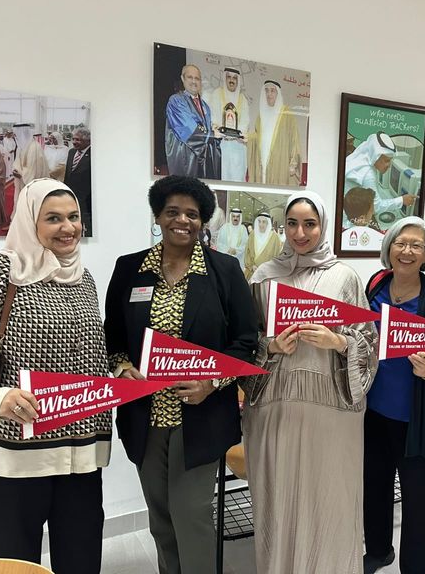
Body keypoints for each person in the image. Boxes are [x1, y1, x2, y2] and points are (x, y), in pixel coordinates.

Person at [0, 178, 111, 574]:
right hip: (7, 458)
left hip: (75, 456)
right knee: (16, 565)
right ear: (30, 222)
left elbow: (89, 351)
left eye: (74, 217)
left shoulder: (83, 278)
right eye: (53, 218)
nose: (69, 228)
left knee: (81, 561)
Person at [104, 175, 257, 574]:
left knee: (192, 516)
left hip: (202, 416)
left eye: (192, 214)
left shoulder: (224, 271)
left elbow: (245, 340)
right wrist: (122, 368)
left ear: (204, 221)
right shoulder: (129, 270)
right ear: (158, 215)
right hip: (145, 416)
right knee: (161, 518)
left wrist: (214, 382)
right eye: (173, 212)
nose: (182, 221)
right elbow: (113, 337)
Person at [240, 191, 378, 573]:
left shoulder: (345, 277)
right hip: (276, 408)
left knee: (329, 498)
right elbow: (245, 340)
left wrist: (339, 341)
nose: (301, 233)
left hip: (331, 413)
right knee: (279, 500)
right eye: (293, 224)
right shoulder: (264, 276)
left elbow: (368, 342)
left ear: (324, 225)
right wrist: (270, 345)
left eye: (310, 223)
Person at [363, 217, 425, 574]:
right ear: (389, 248)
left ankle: (416, 568)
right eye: (401, 243)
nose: (407, 251)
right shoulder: (376, 285)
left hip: (415, 419)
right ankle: (378, 550)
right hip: (373, 411)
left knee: (417, 501)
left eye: (417, 245)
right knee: (375, 486)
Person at [165, 64, 221, 180]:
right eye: (190, 77)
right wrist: (211, 134)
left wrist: (217, 133)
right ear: (183, 79)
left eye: (197, 78)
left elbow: (206, 132)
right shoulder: (176, 101)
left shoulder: (205, 106)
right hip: (185, 162)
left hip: (203, 165)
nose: (194, 81)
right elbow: (188, 131)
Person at [344, 132, 416, 222]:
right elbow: (376, 207)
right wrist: (402, 200)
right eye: (386, 161)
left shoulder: (362, 159)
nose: (389, 165)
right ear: (375, 156)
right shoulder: (367, 174)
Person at [247, 80, 302, 185]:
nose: (269, 94)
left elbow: (294, 140)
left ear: (278, 94)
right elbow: (257, 137)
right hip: (263, 162)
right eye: (267, 91)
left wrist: (293, 163)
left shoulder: (287, 115)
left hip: (280, 163)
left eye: (272, 91)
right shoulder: (261, 116)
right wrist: (247, 138)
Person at [206, 67, 250, 182]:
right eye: (229, 77)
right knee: (222, 177)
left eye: (235, 78)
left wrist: (236, 134)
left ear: (238, 81)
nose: (232, 80)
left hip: (238, 147)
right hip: (222, 145)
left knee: (237, 179)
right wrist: (222, 131)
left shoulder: (243, 99)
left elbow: (245, 121)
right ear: (225, 78)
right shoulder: (217, 94)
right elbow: (213, 117)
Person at [11, 124, 49, 221]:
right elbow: (17, 162)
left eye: (17, 134)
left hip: (30, 185)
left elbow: (34, 170)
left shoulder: (34, 148)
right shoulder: (21, 147)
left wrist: (20, 174)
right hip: (21, 183)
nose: (15, 137)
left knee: (30, 208)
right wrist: (16, 169)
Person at [64, 126, 92, 236]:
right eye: (74, 139)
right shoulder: (71, 152)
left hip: (86, 200)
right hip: (71, 197)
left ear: (88, 140)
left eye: (78, 140)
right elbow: (68, 174)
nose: (74, 142)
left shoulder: (93, 154)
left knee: (88, 226)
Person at [243, 212, 283, 279]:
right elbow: (247, 252)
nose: (261, 224)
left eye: (264, 222)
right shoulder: (252, 235)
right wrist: (251, 266)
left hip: (267, 275)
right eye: (259, 221)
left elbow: (278, 257)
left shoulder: (275, 237)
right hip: (252, 273)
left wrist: (266, 268)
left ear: (268, 223)